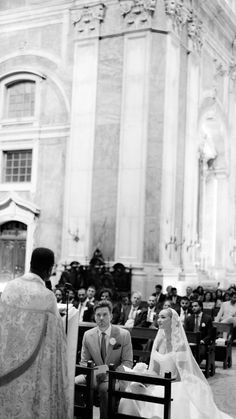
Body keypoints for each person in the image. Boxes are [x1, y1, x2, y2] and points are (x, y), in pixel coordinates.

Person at [118, 308, 233, 419]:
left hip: (175, 383)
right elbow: (155, 369)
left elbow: (180, 375)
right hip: (158, 380)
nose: (159, 320)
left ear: (172, 320)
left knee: (157, 395)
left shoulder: (180, 345)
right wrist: (144, 376)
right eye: (158, 317)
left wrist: (158, 381)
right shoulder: (158, 341)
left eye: (163, 317)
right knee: (132, 390)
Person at [0, 247, 69, 419]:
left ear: (30, 264)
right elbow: (57, 341)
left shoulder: (9, 288)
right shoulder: (46, 297)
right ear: (49, 270)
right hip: (33, 374)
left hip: (5, 368)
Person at [75, 300, 133, 419]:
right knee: (73, 383)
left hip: (115, 377)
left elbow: (128, 362)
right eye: (98, 315)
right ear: (94, 317)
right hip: (94, 374)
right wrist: (97, 372)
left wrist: (108, 374)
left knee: (104, 388)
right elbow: (84, 361)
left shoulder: (123, 334)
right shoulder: (88, 335)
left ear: (111, 316)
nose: (101, 318)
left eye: (105, 314)